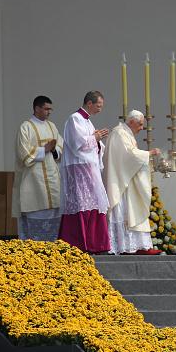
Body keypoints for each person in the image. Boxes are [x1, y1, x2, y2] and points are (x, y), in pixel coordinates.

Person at [58, 91, 111, 254]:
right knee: (81, 203)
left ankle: (95, 243)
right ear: (89, 103)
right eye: (99, 105)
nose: (100, 109)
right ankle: (79, 242)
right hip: (79, 169)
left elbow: (93, 145)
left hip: (88, 169)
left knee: (94, 202)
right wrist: (95, 138)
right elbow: (76, 144)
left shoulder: (87, 122)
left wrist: (98, 142)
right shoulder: (75, 119)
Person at [103, 110, 162, 255]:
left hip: (127, 180)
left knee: (132, 211)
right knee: (125, 213)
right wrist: (149, 153)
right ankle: (124, 247)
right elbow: (129, 155)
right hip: (121, 183)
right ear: (131, 122)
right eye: (140, 124)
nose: (142, 128)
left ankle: (138, 246)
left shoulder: (125, 133)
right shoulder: (119, 133)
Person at [12, 95, 64, 241]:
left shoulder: (51, 126)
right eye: (46, 109)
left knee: (54, 216)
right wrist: (44, 149)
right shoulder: (25, 127)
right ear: (37, 108)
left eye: (50, 109)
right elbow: (23, 153)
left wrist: (53, 150)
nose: (49, 112)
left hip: (52, 178)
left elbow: (60, 146)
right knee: (35, 216)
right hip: (33, 180)